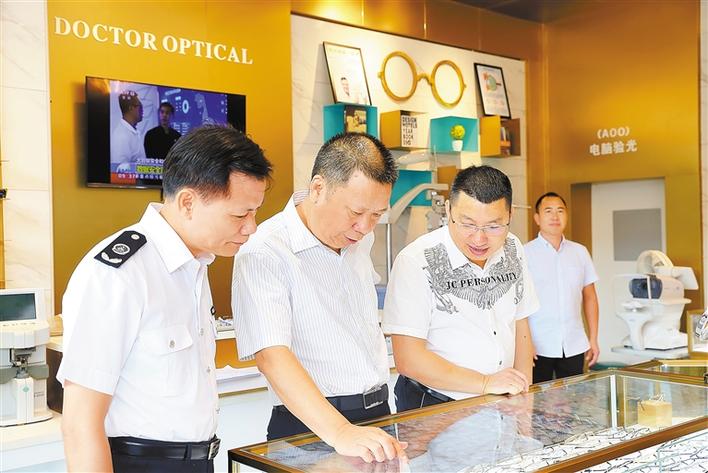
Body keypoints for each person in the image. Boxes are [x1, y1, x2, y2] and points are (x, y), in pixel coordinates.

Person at [58, 125, 272, 473]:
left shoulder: (196, 265)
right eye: (239, 214)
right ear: (188, 202)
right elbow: (80, 423)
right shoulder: (119, 273)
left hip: (198, 461)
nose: (252, 227)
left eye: (255, 212)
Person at [232, 132, 407, 463]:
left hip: (378, 415)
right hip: (311, 427)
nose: (365, 227)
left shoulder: (358, 239)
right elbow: (271, 356)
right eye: (355, 212)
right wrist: (340, 432)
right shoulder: (265, 250)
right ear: (317, 188)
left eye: (376, 215)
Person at [382, 165, 539, 412]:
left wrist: (523, 400)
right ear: (448, 210)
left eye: (494, 226)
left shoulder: (513, 248)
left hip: (502, 402)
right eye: (467, 224)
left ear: (510, 215)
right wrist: (485, 383)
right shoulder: (416, 260)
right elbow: (408, 359)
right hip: (436, 404)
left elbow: (520, 323)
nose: (479, 239)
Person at [524, 192, 600, 383]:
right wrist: (524, 343)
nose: (555, 216)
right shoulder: (524, 253)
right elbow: (518, 304)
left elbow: (590, 297)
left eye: (560, 211)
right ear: (537, 218)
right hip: (537, 345)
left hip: (574, 342)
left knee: (573, 397)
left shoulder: (580, 252)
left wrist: (593, 338)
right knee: (537, 399)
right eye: (548, 211)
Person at [111, 90, 147, 172]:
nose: (142, 109)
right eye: (139, 106)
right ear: (131, 108)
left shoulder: (132, 132)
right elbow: (120, 172)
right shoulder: (121, 136)